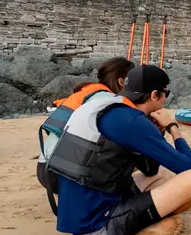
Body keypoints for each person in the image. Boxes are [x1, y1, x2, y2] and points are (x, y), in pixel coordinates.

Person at [46, 64, 191, 235]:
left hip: (80, 214)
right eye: (166, 94)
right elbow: (189, 168)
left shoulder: (106, 107)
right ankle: (143, 227)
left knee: (163, 174)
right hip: (97, 226)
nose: (165, 100)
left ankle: (142, 218)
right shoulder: (132, 121)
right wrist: (172, 127)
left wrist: (156, 132)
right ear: (154, 95)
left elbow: (150, 169)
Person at [37, 57, 135, 200]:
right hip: (61, 174)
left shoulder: (87, 94)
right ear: (121, 81)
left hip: (44, 168)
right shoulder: (109, 101)